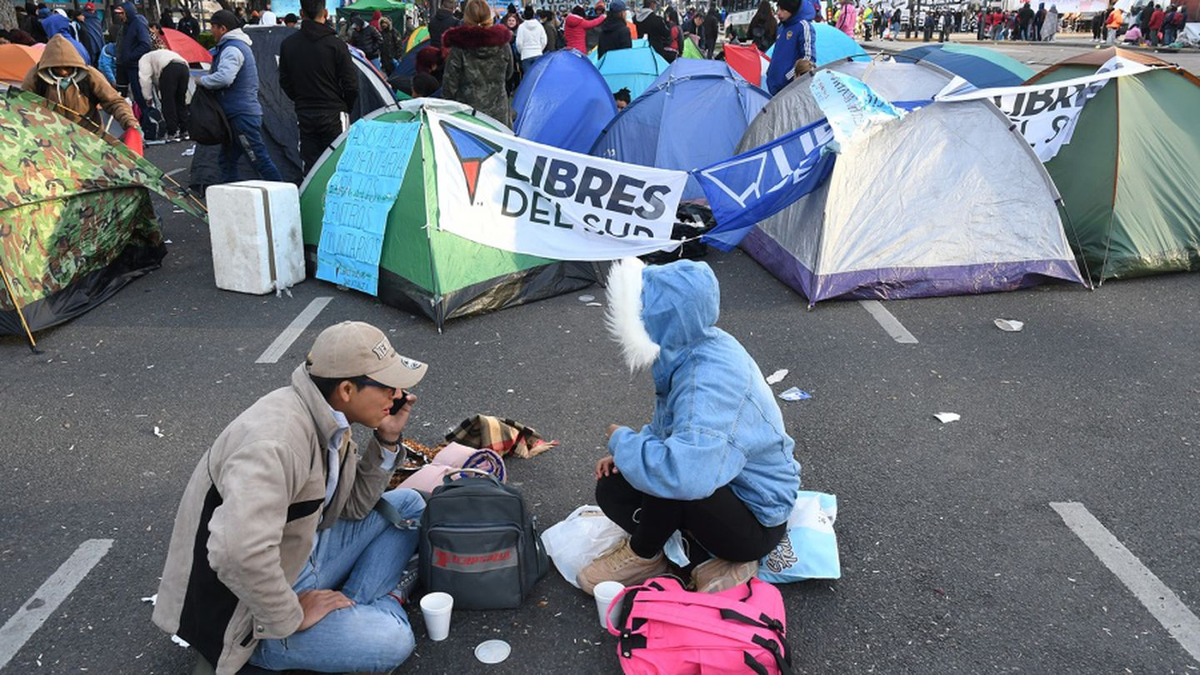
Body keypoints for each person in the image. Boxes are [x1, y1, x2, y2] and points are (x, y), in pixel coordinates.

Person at [153, 322, 428, 674]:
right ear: (346, 389)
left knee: (410, 507)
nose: (398, 395)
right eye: (388, 387)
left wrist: (387, 440)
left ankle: (347, 607)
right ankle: (359, 614)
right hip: (250, 617)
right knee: (393, 639)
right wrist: (293, 616)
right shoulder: (275, 444)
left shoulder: (327, 416)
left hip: (298, 559)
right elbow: (236, 553)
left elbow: (355, 507)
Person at [577, 259, 800, 596]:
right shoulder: (695, 344)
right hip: (725, 487)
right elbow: (675, 429)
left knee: (666, 479)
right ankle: (698, 556)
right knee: (613, 488)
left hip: (755, 519)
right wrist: (635, 447)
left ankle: (650, 555)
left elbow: (682, 475)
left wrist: (622, 440)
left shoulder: (706, 383)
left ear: (656, 323)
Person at [198, 10, 283, 183]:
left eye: (213, 27)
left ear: (222, 28)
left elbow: (225, 77)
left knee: (258, 159)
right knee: (227, 161)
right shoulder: (234, 46)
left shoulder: (232, 49)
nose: (211, 31)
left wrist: (202, 81)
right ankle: (231, 199)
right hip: (237, 116)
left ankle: (284, 197)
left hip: (241, 117)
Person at [280, 0, 359, 174]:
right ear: (324, 13)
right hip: (334, 111)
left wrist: (300, 99)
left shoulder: (288, 45)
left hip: (305, 111)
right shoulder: (336, 45)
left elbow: (285, 81)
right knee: (339, 164)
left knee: (311, 166)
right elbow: (351, 84)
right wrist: (345, 105)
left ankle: (310, 199)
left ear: (301, 13)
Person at [23, 34, 141, 147]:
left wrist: (129, 121)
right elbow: (23, 107)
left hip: (89, 138)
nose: (63, 72)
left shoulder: (89, 75)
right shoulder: (36, 78)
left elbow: (114, 101)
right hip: (52, 141)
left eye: (67, 67)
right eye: (57, 68)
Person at [442, 0, 515, 127]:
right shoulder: (503, 44)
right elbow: (509, 74)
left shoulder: (459, 48)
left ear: (466, 17)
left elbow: (449, 86)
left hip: (468, 117)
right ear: (489, 16)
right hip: (498, 115)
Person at [138, 47, 190, 141]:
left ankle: (172, 131)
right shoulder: (160, 54)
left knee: (168, 102)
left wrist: (148, 97)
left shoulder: (144, 58)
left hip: (169, 69)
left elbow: (145, 79)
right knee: (180, 100)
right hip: (184, 67)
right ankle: (185, 130)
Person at [113, 2, 153, 114]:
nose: (120, 16)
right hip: (124, 65)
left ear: (127, 12)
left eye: (122, 13)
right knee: (123, 93)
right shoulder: (126, 25)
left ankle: (147, 118)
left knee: (139, 94)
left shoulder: (138, 23)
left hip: (134, 66)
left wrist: (130, 56)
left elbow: (145, 45)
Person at [516, 5, 547, 72]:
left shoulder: (521, 27)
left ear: (524, 15)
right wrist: (539, 48)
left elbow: (519, 43)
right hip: (538, 52)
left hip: (526, 54)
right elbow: (544, 41)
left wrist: (522, 51)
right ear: (533, 14)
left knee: (528, 78)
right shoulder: (539, 26)